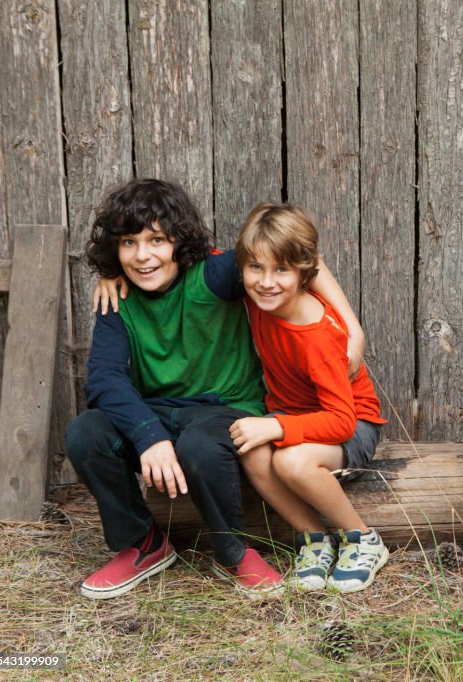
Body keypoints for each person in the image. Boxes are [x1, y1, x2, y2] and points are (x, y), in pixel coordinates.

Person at [72, 179, 362, 600]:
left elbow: (300, 258)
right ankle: (144, 544)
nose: (143, 255)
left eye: (156, 240)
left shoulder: (213, 275)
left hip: (224, 407)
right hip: (154, 411)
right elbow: (104, 380)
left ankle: (233, 550)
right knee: (86, 433)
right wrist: (148, 435)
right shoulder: (117, 299)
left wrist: (352, 326)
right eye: (128, 243)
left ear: (179, 240)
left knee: (201, 446)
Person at [228, 203, 388, 594]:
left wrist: (276, 425)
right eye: (256, 268)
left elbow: (341, 422)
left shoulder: (316, 336)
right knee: (252, 449)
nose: (266, 281)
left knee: (292, 460)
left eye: (281, 270)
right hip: (295, 413)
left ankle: (362, 538)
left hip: (352, 426)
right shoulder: (262, 296)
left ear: (304, 273)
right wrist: (114, 275)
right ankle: (314, 539)